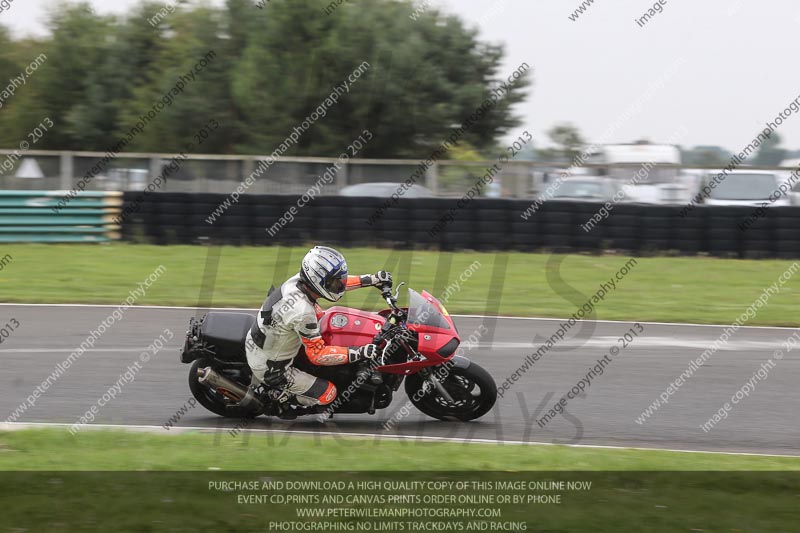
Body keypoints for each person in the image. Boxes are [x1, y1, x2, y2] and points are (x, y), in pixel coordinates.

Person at [244, 245, 391, 414]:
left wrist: (372, 279)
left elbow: (339, 284)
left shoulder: (300, 280)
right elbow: (317, 355)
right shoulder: (302, 311)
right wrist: (359, 352)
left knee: (322, 317)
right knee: (328, 394)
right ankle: (280, 397)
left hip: (267, 340)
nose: (339, 285)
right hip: (273, 368)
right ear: (317, 280)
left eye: (338, 280)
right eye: (334, 282)